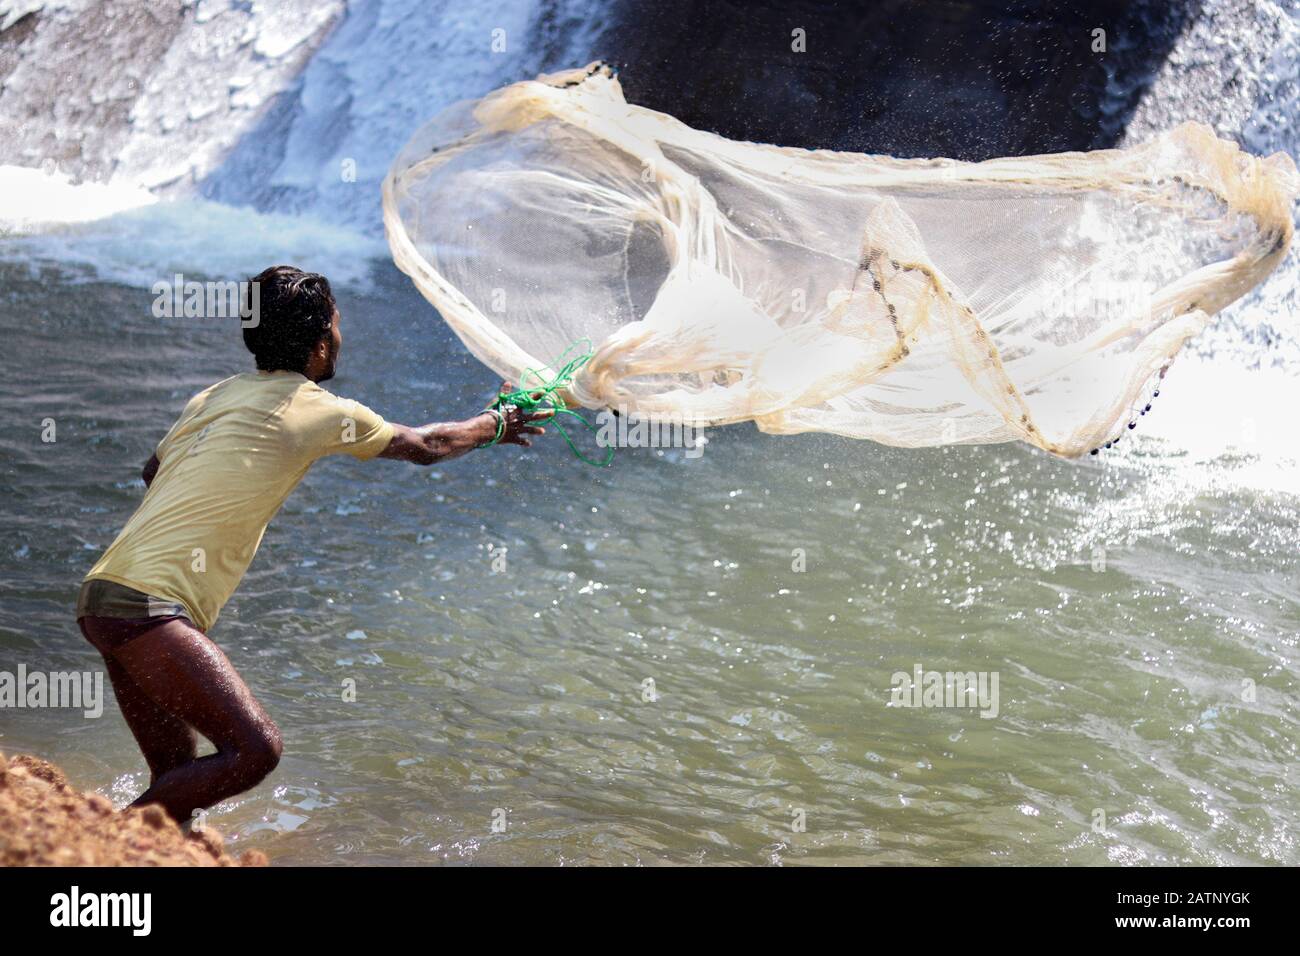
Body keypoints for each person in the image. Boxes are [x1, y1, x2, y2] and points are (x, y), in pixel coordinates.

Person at [76, 265, 550, 823]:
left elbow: (154, 471)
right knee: (255, 751)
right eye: (338, 325)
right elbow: (426, 445)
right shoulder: (318, 409)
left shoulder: (212, 397)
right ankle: (98, 846)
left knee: (177, 775)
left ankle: (141, 861)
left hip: (104, 595)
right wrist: (497, 421)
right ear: (322, 341)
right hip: (151, 608)